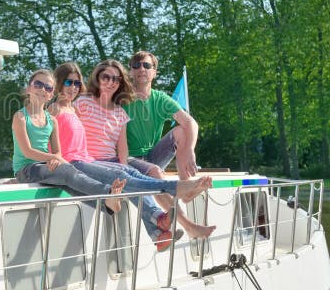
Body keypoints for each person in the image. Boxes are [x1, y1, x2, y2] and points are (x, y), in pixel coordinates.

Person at [49, 62, 214, 250]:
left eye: (115, 79)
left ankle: (158, 233)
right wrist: (47, 159)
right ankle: (173, 198)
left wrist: (124, 165)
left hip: (108, 162)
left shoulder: (120, 113)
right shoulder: (82, 103)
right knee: (129, 176)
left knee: (130, 174)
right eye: (106, 77)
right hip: (89, 162)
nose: (111, 82)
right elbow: (60, 127)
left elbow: (122, 150)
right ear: (97, 78)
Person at [12, 69, 126, 213]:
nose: (42, 89)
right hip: (26, 169)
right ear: (29, 88)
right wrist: (53, 157)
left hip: (44, 166)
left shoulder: (51, 120)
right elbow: (27, 152)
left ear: (51, 95)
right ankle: (108, 193)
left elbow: (58, 151)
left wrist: (55, 159)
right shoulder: (21, 117)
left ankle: (107, 206)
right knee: (68, 173)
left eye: (48, 87)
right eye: (38, 84)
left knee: (69, 182)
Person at [124, 51, 198, 181]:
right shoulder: (121, 98)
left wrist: (190, 150)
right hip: (129, 160)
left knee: (182, 131)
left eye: (146, 65)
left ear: (154, 72)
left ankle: (185, 184)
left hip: (154, 157)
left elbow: (191, 122)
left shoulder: (161, 99)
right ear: (130, 71)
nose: (141, 68)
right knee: (156, 172)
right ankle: (174, 196)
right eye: (136, 65)